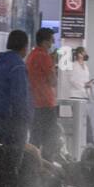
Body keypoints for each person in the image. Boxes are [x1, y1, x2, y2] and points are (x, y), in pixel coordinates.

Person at [0, 29, 32, 170]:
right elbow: (20, 97)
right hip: (14, 121)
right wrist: (27, 118)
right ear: (24, 46)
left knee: (2, 159)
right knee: (13, 162)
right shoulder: (18, 65)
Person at [27, 28, 60, 159]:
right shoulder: (44, 56)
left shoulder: (32, 55)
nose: (53, 43)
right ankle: (47, 168)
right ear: (45, 41)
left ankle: (32, 165)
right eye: (52, 40)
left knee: (35, 138)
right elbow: (53, 81)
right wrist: (53, 66)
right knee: (50, 139)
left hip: (34, 103)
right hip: (46, 103)